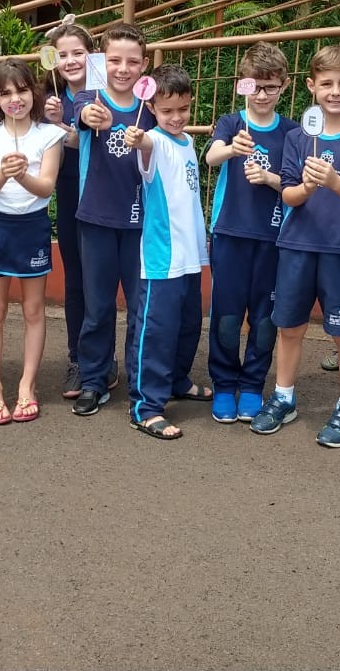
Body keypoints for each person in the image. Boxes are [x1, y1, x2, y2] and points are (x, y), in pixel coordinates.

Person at [250, 45, 340, 446]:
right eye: (326, 84)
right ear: (311, 86)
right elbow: (289, 195)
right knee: (289, 326)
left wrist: (334, 182)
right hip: (296, 245)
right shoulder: (297, 137)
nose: (335, 91)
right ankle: (283, 396)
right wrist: (307, 186)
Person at [72, 24, 170, 416]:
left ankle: (139, 379)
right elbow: (82, 115)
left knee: (140, 308)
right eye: (114, 60)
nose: (123, 69)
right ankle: (93, 379)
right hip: (95, 219)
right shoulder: (90, 96)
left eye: (132, 61)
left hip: (141, 222)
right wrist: (89, 115)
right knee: (98, 307)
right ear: (102, 61)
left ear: (144, 64)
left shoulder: (152, 106)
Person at [0, 59, 66, 424]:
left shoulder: (49, 135)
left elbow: (46, 187)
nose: (15, 99)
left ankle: (28, 385)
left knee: (33, 310)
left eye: (22, 90)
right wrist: (4, 174)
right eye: (6, 93)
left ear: (34, 92)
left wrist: (22, 175)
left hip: (32, 227)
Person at [204, 42, 295, 423]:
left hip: (273, 238)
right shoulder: (231, 123)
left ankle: (254, 384)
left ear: (284, 86)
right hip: (229, 233)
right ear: (242, 84)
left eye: (270, 87)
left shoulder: (291, 132)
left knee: (264, 318)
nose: (261, 95)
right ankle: (224, 384)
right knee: (226, 315)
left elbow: (296, 185)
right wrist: (231, 149)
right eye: (254, 86)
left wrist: (269, 178)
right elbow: (210, 157)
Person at [122, 64, 210, 440]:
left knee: (188, 325)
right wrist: (138, 138)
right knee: (156, 332)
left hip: (191, 254)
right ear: (152, 108)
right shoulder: (153, 142)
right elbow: (143, 145)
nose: (176, 117)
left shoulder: (187, 141)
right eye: (167, 110)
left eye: (183, 109)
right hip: (161, 257)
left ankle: (177, 380)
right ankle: (146, 407)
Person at [42, 15, 94, 399]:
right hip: (70, 192)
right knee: (75, 279)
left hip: (108, 196)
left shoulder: (108, 95)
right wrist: (53, 125)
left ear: (93, 54)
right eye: (62, 54)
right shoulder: (50, 101)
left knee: (103, 282)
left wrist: (64, 129)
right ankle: (78, 358)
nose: (71, 60)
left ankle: (105, 358)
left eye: (78, 52)